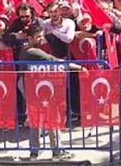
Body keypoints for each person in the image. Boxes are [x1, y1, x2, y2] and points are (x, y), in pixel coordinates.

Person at [19, 24, 85, 161]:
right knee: (50, 119)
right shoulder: (32, 52)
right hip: (39, 90)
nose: (41, 39)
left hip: (33, 88)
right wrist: (79, 68)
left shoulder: (26, 50)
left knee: (35, 120)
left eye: (41, 36)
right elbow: (56, 61)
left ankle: (35, 152)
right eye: (38, 37)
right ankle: (56, 151)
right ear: (30, 38)